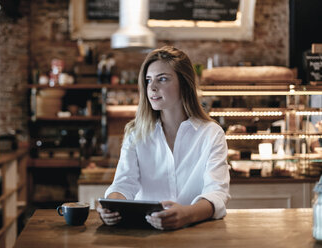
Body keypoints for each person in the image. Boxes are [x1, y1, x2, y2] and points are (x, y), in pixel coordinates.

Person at [97, 46, 230, 230]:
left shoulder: (211, 133)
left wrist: (186, 215)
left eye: (163, 79)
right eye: (148, 80)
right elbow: (123, 184)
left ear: (184, 84)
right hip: (143, 233)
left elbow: (216, 193)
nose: (152, 87)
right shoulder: (136, 133)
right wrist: (110, 207)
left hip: (195, 234)